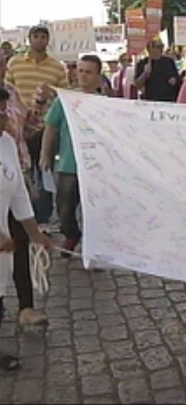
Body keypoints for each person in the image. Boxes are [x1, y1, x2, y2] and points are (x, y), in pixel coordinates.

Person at [0, 86, 53, 371]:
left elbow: (18, 193)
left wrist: (35, 234)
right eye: (0, 113)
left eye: (5, 112)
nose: (6, 119)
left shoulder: (7, 143)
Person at [39, 55, 103, 257]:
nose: (83, 75)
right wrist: (45, 154)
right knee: (64, 209)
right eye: (80, 70)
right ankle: (72, 234)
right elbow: (51, 127)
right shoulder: (64, 100)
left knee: (93, 211)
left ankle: (94, 247)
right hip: (68, 163)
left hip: (95, 166)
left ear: (98, 76)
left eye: (88, 72)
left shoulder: (104, 103)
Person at [5, 25, 68, 229]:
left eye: (43, 37)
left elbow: (64, 96)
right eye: (36, 36)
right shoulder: (14, 64)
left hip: (45, 127)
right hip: (17, 127)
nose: (40, 40)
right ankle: (19, 215)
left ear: (48, 40)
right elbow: (7, 93)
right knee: (21, 170)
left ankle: (42, 218)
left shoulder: (57, 68)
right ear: (29, 39)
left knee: (44, 171)